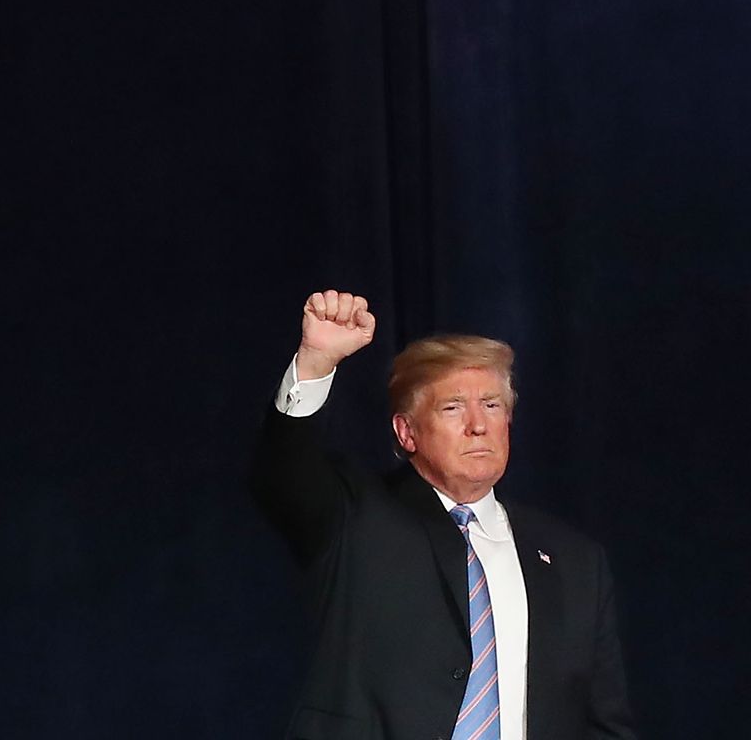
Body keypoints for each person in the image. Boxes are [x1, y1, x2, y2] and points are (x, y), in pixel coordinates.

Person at [251, 290, 637, 740]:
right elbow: (283, 473)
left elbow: (603, 724)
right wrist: (315, 363)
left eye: (492, 405)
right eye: (453, 407)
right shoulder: (357, 516)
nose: (479, 425)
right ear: (406, 431)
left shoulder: (575, 561)